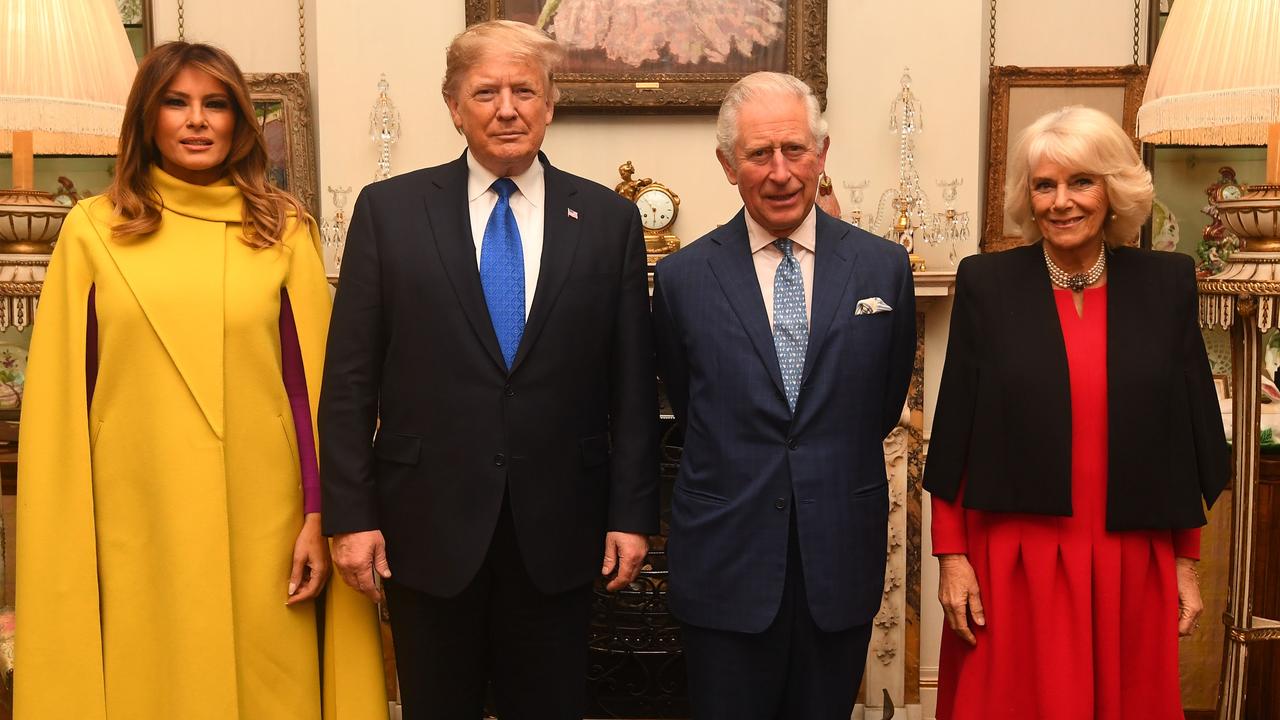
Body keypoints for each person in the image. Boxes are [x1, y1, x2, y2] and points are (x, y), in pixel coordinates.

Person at [15, 42, 387, 719]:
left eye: (215, 104)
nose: (197, 120)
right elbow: (67, 400)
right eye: (176, 103)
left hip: (268, 524)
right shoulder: (92, 231)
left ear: (240, 122)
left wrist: (317, 514)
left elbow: (313, 395)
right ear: (146, 119)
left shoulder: (283, 229)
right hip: (137, 516)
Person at [318, 20, 658, 719]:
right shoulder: (388, 213)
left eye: (525, 90)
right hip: (424, 526)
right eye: (486, 92)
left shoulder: (606, 220)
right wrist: (351, 515)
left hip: (561, 528)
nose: (507, 108)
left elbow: (631, 386)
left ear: (551, 102)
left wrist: (632, 514)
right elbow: (349, 379)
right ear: (453, 106)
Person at [923, 106, 1229, 720]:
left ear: (1113, 190)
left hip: (1131, 557)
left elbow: (1184, 438)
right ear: (1028, 196)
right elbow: (954, 431)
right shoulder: (988, 283)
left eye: (1081, 182)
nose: (1062, 202)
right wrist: (952, 559)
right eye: (1045, 185)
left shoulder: (1166, 284)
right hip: (1014, 560)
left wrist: (1185, 564)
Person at [652, 71, 916, 719]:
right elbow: (690, 405)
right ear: (727, 166)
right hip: (725, 559)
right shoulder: (683, 278)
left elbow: (881, 402)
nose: (780, 172)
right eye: (758, 154)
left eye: (795, 150)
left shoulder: (883, 267)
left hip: (840, 558)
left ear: (822, 154)